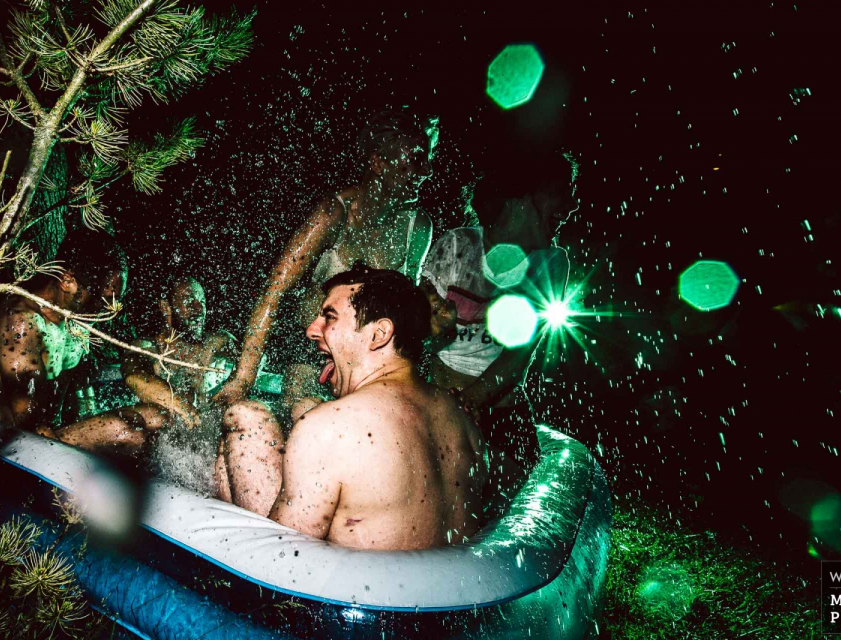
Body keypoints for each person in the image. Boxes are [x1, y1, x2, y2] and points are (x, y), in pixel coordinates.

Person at [215, 266, 487, 550]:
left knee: (245, 418)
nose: (311, 330)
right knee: (303, 408)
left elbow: (277, 562)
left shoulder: (332, 428)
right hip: (441, 583)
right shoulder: (464, 422)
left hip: (347, 592)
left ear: (378, 334)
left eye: (329, 317)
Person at [213, 110, 439, 418]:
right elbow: (274, 293)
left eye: (426, 158)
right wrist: (243, 377)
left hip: (369, 358)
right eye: (415, 159)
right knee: (305, 414)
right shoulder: (333, 214)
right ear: (377, 162)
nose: (426, 169)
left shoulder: (418, 227)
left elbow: (405, 316)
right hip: (309, 350)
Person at [421, 148, 579, 472]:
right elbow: (419, 332)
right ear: (521, 194)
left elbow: (519, 356)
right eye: (563, 189)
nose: (572, 205)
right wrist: (437, 324)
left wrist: (473, 400)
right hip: (442, 396)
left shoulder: (551, 263)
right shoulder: (458, 246)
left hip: (500, 409)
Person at [55, 275, 240, 485]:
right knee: (155, 416)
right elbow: (135, 377)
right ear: (166, 307)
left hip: (203, 451)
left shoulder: (215, 342)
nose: (199, 308)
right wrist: (182, 405)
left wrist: (232, 386)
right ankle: (55, 442)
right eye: (189, 300)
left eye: (203, 302)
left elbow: (253, 359)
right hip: (160, 448)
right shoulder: (147, 347)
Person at [0, 229, 128, 432]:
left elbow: (71, 387)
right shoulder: (22, 322)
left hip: (46, 430)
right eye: (105, 298)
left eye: (116, 299)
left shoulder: (75, 317)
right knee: (125, 432)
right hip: (6, 437)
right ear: (67, 281)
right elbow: (25, 415)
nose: (110, 309)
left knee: (143, 418)